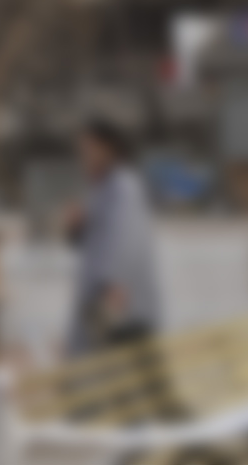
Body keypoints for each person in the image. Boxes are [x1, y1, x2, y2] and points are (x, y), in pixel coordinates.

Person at [66, 118, 162, 356]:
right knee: (113, 373)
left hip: (120, 303)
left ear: (109, 148)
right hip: (106, 304)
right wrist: (77, 228)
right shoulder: (102, 189)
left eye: (89, 149)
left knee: (127, 373)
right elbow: (96, 241)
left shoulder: (122, 186)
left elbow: (123, 238)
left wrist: (112, 283)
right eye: (82, 151)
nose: (84, 157)